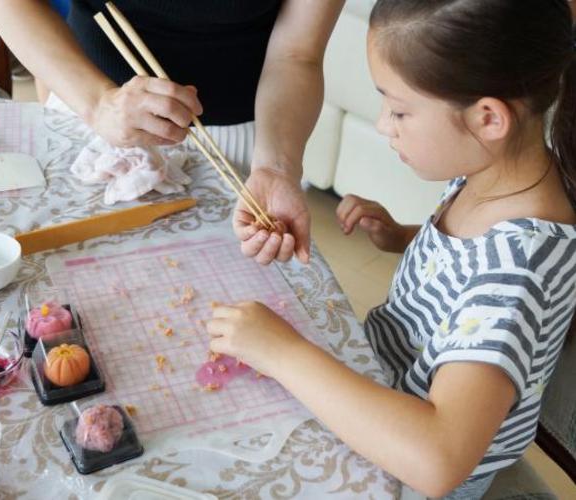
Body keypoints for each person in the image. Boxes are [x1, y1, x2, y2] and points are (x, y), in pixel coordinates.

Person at [206, 0, 576, 498]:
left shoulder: (517, 272)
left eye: (399, 109)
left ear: (489, 118)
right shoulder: (501, 172)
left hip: (406, 469)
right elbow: (466, 279)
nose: (384, 124)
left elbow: (438, 460)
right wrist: (406, 237)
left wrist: (283, 353)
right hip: (379, 387)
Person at [0, 0, 346, 265]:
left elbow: (297, 54)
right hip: (90, 105)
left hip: (253, 142)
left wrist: (276, 168)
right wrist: (98, 104)